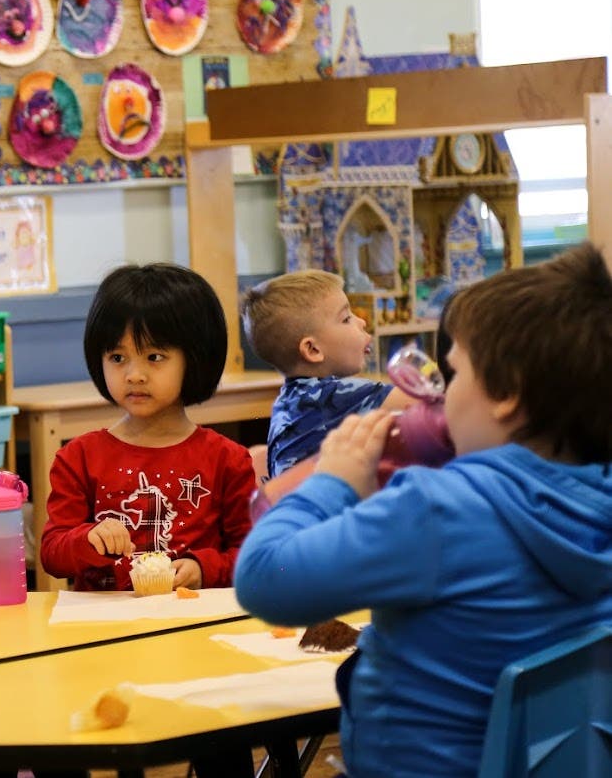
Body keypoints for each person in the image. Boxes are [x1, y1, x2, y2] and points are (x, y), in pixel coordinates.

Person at [235, 243, 612, 778]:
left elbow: (263, 579)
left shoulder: (435, 511)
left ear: (505, 394)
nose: (438, 397)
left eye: (452, 375)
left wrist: (333, 482)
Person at [40, 264, 255, 593]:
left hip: (191, 621)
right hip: (104, 628)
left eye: (154, 357)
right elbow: (52, 554)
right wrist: (88, 539)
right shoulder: (79, 457)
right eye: (117, 357)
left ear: (195, 358)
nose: (134, 375)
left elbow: (253, 557)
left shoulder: (227, 460)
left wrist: (204, 567)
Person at [241, 269, 412, 478]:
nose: (362, 322)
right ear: (313, 350)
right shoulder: (329, 396)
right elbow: (422, 400)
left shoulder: (289, 401)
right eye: (346, 319)